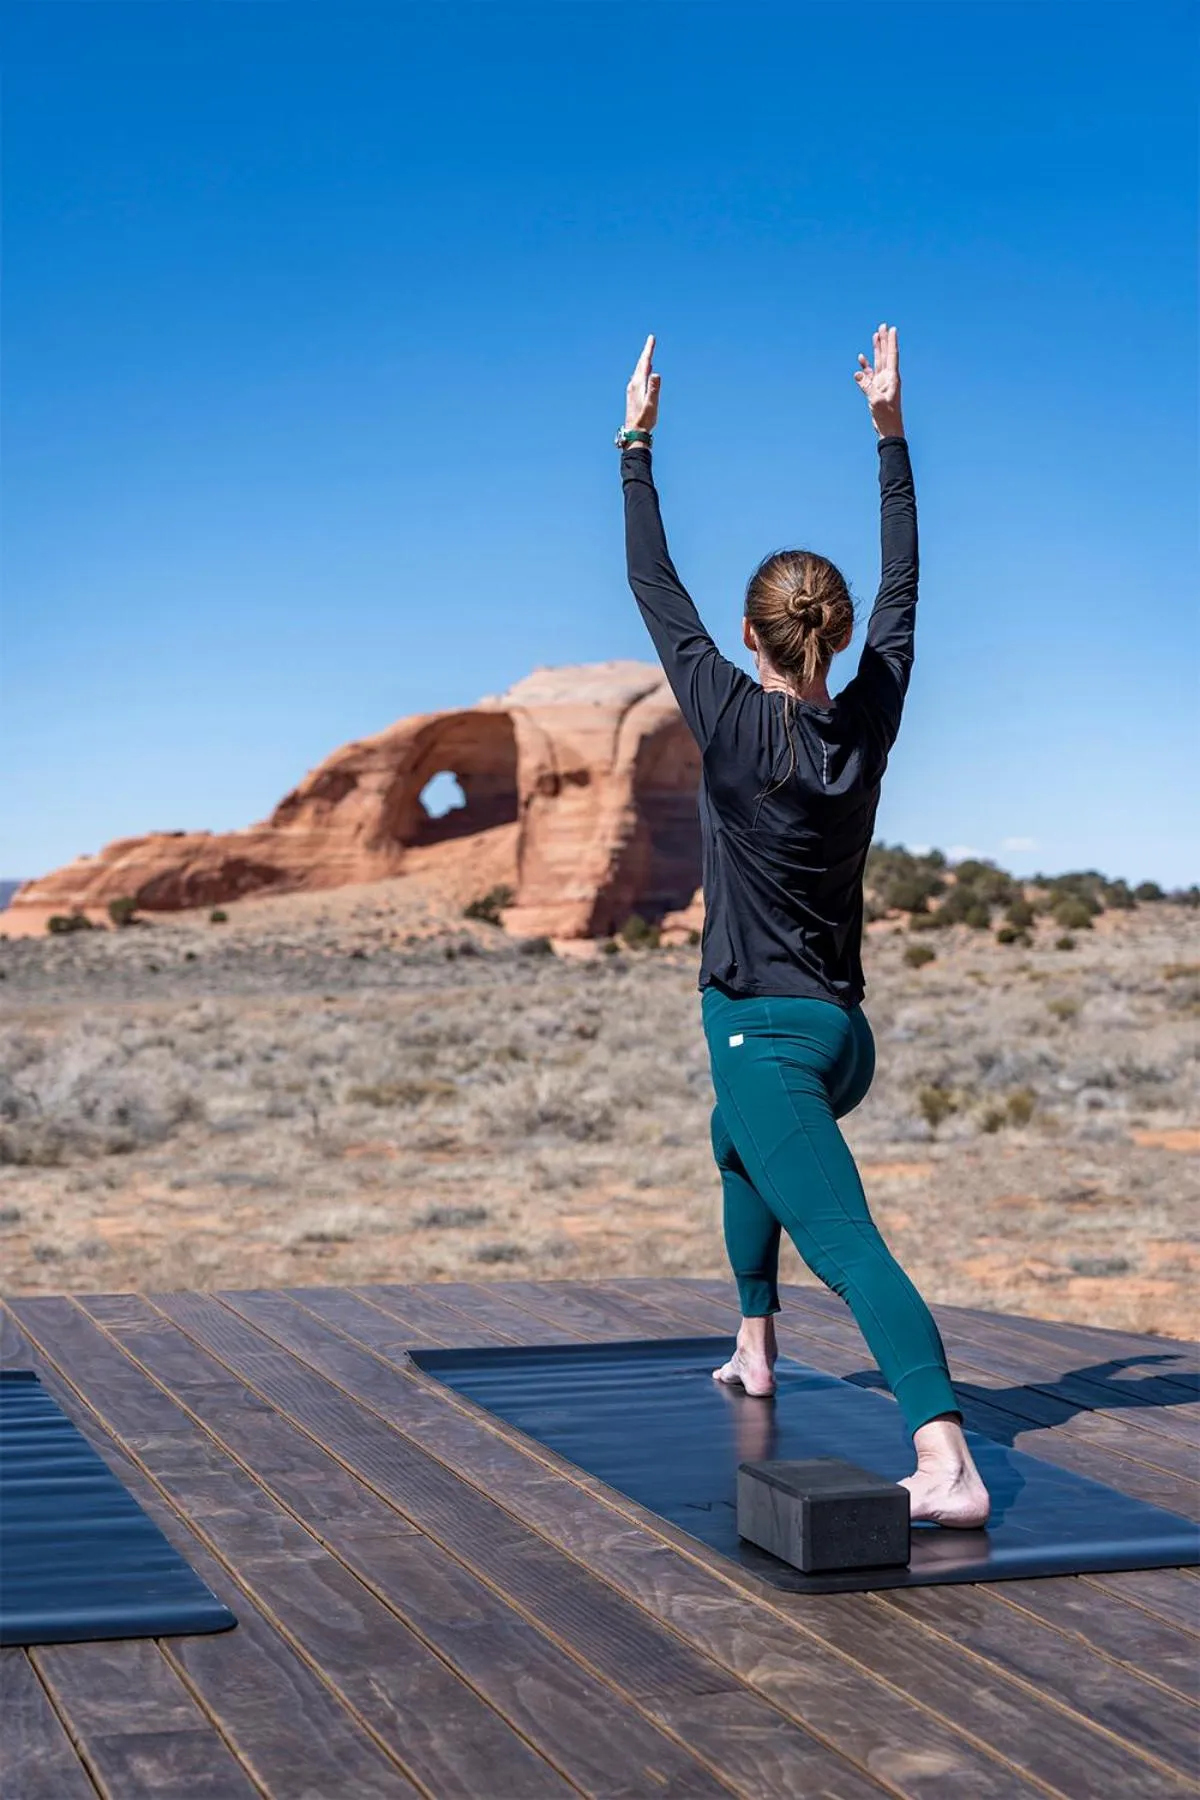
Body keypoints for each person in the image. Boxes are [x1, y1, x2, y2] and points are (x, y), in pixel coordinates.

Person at [617, 326, 990, 1528]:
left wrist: (635, 444)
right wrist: (890, 434)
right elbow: (905, 590)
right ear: (833, 635)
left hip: (766, 1032)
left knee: (846, 1240)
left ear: (752, 638)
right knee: (734, 1142)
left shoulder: (729, 720)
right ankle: (755, 1344)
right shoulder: (869, 717)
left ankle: (947, 1460)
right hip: (840, 1034)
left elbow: (654, 586)